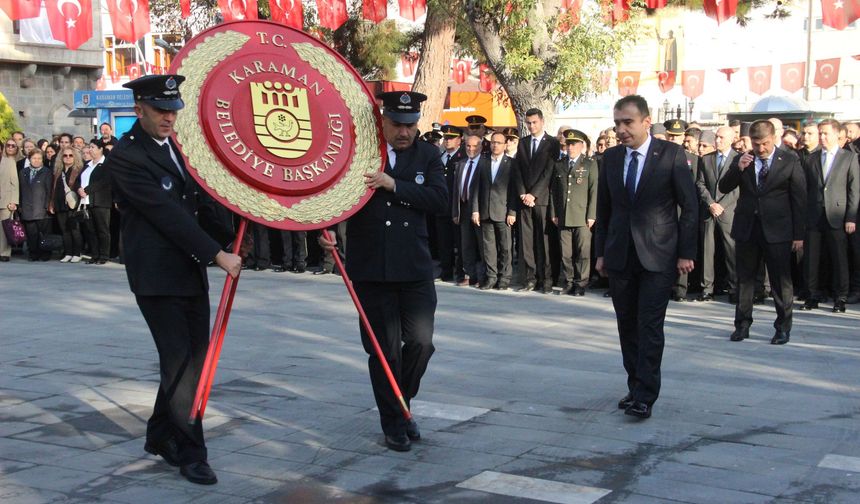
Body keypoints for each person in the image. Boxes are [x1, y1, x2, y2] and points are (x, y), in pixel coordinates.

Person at [107, 74, 242, 485]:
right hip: (157, 277)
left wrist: (235, 230)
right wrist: (217, 254)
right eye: (161, 111)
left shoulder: (177, 148)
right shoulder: (125, 157)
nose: (169, 118)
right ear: (139, 110)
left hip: (188, 272)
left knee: (193, 362)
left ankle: (160, 434)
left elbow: (200, 200)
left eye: (173, 110)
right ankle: (191, 451)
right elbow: (167, 215)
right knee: (181, 364)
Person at [320, 91, 447, 452]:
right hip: (371, 267)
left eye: (410, 125)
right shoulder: (359, 152)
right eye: (397, 125)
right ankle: (394, 421)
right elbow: (332, 196)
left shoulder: (429, 155)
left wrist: (395, 185)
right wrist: (323, 229)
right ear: (382, 121)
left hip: (414, 266)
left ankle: (401, 405)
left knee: (422, 343)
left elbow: (439, 199)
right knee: (384, 350)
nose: (404, 132)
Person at [594, 95, 697, 420]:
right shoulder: (610, 158)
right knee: (627, 325)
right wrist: (600, 253)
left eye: (628, 122)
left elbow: (690, 207)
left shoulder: (670, 154)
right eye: (617, 123)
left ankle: (646, 396)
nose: (621, 130)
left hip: (659, 255)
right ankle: (635, 384)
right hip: (621, 254)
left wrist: (685, 252)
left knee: (649, 325)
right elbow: (605, 209)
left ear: (645, 121)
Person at [718, 120, 806, 345]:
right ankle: (742, 325)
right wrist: (738, 169)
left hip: (778, 230)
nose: (761, 149)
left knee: (780, 281)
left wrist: (798, 234)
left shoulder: (789, 160)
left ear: (774, 138)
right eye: (756, 144)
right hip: (748, 228)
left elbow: (799, 199)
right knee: (744, 280)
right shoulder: (743, 159)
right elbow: (724, 187)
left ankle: (782, 327)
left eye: (765, 143)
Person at [799, 119, 859, 313]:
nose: (823, 137)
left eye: (826, 133)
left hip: (837, 215)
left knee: (839, 258)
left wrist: (851, 217)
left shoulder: (848, 158)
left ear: (836, 134)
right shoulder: (811, 158)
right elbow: (805, 189)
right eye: (820, 133)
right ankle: (812, 295)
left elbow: (854, 190)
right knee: (811, 258)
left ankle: (840, 297)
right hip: (814, 215)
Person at [514, 108, 560, 293]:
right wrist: (523, 193)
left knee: (544, 241)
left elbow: (549, 171)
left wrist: (534, 194)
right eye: (529, 123)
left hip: (541, 199)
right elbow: (517, 170)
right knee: (527, 242)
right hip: (525, 199)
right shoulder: (523, 143)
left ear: (542, 122)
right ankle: (530, 279)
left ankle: (546, 279)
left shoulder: (552, 143)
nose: (531, 126)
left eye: (534, 122)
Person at [549, 129, 597, 296]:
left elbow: (593, 191)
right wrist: (554, 213)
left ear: (581, 145)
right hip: (563, 216)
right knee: (566, 253)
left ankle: (581, 283)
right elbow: (553, 192)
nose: (570, 147)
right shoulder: (559, 164)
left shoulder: (589, 164)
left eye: (574, 144)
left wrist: (591, 215)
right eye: (568, 144)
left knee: (582, 253)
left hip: (582, 216)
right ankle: (569, 282)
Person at [696, 126, 739, 302]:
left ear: (731, 139)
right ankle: (707, 288)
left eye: (722, 138)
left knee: (731, 251)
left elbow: (738, 188)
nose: (718, 140)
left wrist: (721, 205)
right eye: (717, 137)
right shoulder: (706, 159)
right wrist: (711, 203)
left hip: (729, 211)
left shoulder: (739, 159)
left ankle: (734, 287)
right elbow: (700, 183)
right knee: (707, 250)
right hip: (709, 210)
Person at [471, 131, 517, 290]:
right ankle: (491, 277)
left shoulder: (511, 163)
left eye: (498, 142)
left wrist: (512, 212)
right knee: (488, 248)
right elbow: (475, 187)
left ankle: (504, 278)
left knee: (505, 247)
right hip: (485, 211)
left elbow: (513, 190)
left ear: (505, 145)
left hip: (503, 212)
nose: (495, 145)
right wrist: (475, 210)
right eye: (493, 142)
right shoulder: (483, 162)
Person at [452, 134, 483, 287]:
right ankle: (469, 275)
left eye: (474, 146)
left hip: (480, 210)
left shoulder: (485, 163)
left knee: (482, 245)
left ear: (481, 147)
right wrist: (455, 212)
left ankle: (483, 277)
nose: (471, 149)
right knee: (466, 244)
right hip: (463, 208)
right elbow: (455, 191)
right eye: (468, 146)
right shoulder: (461, 164)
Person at [435, 125, 465, 281]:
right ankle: (446, 271)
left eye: (451, 138)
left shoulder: (462, 158)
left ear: (459, 140)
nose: (447, 141)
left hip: (457, 207)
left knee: (459, 242)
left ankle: (460, 272)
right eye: (445, 138)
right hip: (442, 207)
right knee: (444, 242)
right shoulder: (440, 157)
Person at [78, 138, 111, 264]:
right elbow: (78, 180)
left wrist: (87, 190)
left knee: (102, 229)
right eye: (89, 147)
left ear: (100, 149)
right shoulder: (87, 164)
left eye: (92, 147)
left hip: (100, 201)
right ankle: (95, 254)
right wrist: (79, 189)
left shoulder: (107, 164)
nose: (90, 150)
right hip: (86, 201)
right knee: (90, 230)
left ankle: (104, 255)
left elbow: (104, 181)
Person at [49, 147, 84, 263]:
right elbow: (53, 189)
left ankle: (77, 253)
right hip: (59, 203)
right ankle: (68, 252)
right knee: (64, 230)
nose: (68, 157)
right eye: (65, 155)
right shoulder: (58, 171)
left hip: (72, 204)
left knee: (74, 229)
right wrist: (52, 203)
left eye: (70, 155)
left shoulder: (79, 170)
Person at [18, 149, 53, 261]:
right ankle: (33, 253)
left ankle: (45, 253)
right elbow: (20, 190)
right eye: (34, 158)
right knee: (31, 233)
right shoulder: (23, 172)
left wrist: (47, 205)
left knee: (44, 233)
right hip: (27, 207)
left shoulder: (47, 172)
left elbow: (49, 190)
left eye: (39, 158)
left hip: (42, 207)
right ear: (29, 159)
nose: (36, 160)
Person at [0, 138, 20, 261]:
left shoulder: (9, 162)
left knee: (4, 227)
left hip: (6, 199)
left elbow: (15, 183)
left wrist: (14, 201)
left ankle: (4, 253)